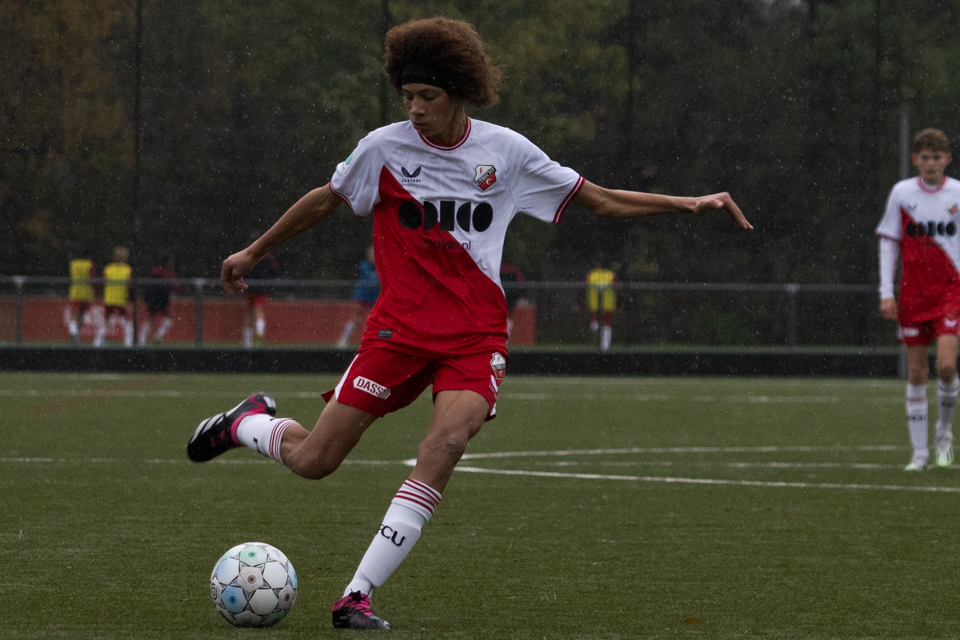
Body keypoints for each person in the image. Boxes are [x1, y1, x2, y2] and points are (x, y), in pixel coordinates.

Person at [186, 16, 751, 630]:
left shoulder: (506, 153)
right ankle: (245, 423)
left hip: (475, 338)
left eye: (427, 96)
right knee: (316, 460)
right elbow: (326, 199)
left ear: (458, 92)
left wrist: (687, 203)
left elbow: (598, 199)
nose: (415, 109)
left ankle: (356, 595)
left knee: (446, 445)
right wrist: (254, 251)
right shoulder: (382, 149)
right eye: (407, 96)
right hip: (398, 331)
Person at [877, 127, 960, 471]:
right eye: (924, 157)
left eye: (936, 157)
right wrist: (886, 292)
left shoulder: (957, 193)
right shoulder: (902, 193)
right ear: (915, 160)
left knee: (946, 366)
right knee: (915, 372)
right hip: (913, 294)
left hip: (950, 291)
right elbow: (889, 242)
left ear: (947, 159)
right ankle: (920, 453)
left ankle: (944, 432)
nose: (930, 163)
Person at [337, 245, 380, 348]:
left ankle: (373, 340)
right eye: (371, 254)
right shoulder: (362, 266)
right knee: (355, 318)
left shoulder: (381, 267)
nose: (373, 256)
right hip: (362, 297)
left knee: (375, 320)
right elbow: (354, 277)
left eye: (375, 254)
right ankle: (344, 340)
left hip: (375, 297)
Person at [242, 235, 279, 347]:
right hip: (262, 287)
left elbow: (243, 270)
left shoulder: (248, 255)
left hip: (249, 287)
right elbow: (274, 271)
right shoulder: (268, 256)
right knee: (259, 310)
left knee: (249, 312)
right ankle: (259, 331)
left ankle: (247, 343)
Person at [97, 246, 133, 348]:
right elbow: (130, 285)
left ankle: (98, 342)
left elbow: (103, 282)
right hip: (121, 299)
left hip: (110, 298)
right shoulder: (127, 269)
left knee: (106, 321)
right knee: (127, 320)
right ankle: (128, 342)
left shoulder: (108, 268)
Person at [139, 256, 179, 346]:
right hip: (160, 299)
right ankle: (155, 338)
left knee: (151, 319)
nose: (172, 265)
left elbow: (148, 286)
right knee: (165, 319)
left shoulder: (155, 271)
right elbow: (174, 287)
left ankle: (144, 341)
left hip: (154, 299)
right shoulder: (168, 274)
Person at [586, 261, 618, 352]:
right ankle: (601, 346)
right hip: (599, 305)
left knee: (603, 325)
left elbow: (616, 288)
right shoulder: (609, 274)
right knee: (602, 325)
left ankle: (603, 346)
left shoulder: (594, 274)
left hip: (601, 305)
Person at [66, 249, 96, 345]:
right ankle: (76, 333)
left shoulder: (73, 264)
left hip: (75, 292)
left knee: (75, 314)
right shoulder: (89, 265)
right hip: (86, 293)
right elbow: (92, 279)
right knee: (81, 315)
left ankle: (73, 332)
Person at [498, 260, 525, 340]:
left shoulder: (501, 268)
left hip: (502, 294)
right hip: (510, 294)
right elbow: (520, 282)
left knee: (503, 315)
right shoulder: (513, 269)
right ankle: (506, 333)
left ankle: (504, 333)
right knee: (508, 315)